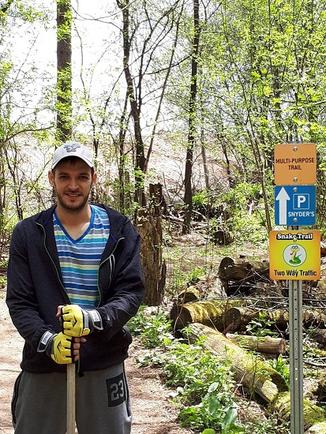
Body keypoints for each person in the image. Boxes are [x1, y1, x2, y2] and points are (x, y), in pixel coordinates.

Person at [6, 141, 145, 434]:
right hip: (44, 364)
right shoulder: (29, 234)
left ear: (93, 178)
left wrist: (93, 319)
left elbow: (131, 292)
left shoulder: (119, 229)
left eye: (81, 176)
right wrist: (47, 340)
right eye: (64, 176)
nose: (73, 185)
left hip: (103, 359)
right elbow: (20, 302)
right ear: (51, 178)